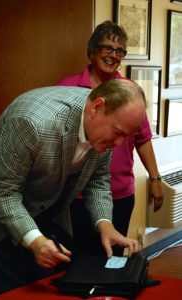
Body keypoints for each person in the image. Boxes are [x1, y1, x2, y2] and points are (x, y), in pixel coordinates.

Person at [0, 79, 146, 299]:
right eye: (118, 133)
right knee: (10, 294)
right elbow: (4, 191)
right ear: (97, 108)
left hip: (38, 206)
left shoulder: (106, 129)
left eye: (126, 136)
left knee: (44, 290)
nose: (119, 144)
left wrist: (105, 225)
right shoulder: (33, 122)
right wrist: (35, 240)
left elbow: (97, 180)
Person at [57, 20, 163, 255]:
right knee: (77, 260)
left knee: (112, 258)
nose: (113, 55)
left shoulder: (131, 92)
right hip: (76, 195)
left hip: (120, 194)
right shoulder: (68, 87)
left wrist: (155, 179)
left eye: (119, 51)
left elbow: (143, 138)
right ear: (92, 50)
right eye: (107, 48)